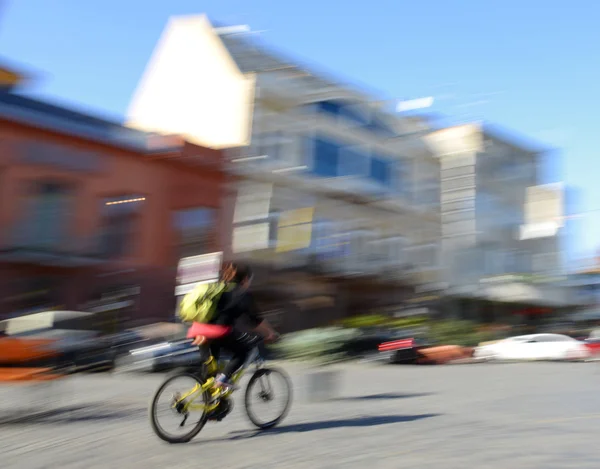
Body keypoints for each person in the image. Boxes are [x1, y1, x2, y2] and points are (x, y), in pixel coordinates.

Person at [191, 263, 278, 392]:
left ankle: (209, 407)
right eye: (249, 280)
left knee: (210, 372)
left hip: (198, 330)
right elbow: (255, 320)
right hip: (217, 332)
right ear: (245, 279)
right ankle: (223, 380)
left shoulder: (219, 288)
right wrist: (270, 333)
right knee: (243, 351)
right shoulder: (242, 294)